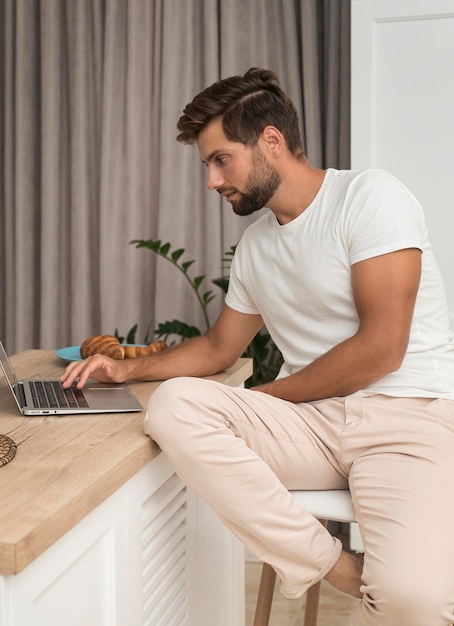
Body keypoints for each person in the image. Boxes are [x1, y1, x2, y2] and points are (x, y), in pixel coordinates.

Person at [61, 68, 454, 625]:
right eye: (207, 165)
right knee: (175, 405)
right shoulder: (255, 246)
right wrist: (127, 371)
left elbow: (381, 350)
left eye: (221, 159)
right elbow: (220, 348)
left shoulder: (369, 197)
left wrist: (270, 396)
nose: (212, 180)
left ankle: (383, 581)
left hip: (406, 419)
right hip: (312, 428)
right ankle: (335, 567)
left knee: (414, 601)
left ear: (270, 141)